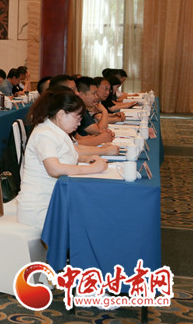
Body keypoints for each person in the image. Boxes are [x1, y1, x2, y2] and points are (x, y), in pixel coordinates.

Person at [15, 88, 118, 230]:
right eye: (77, 118)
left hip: (53, 201)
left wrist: (85, 159)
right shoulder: (44, 134)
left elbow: (67, 153)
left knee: (97, 212)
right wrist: (92, 168)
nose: (79, 123)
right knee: (95, 218)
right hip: (40, 209)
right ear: (61, 114)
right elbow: (54, 169)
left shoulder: (56, 131)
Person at [74, 76, 114, 146]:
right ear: (82, 95)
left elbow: (78, 138)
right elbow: (99, 130)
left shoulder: (83, 108)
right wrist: (104, 111)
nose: (96, 97)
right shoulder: (78, 110)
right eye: (94, 93)